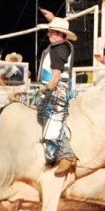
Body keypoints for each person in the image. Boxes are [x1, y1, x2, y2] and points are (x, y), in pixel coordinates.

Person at [36, 15, 77, 173]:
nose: (49, 34)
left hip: (57, 89)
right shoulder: (63, 46)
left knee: (50, 117)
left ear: (61, 34)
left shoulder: (57, 50)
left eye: (52, 31)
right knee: (45, 116)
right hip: (60, 88)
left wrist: (46, 90)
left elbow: (56, 75)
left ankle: (65, 154)